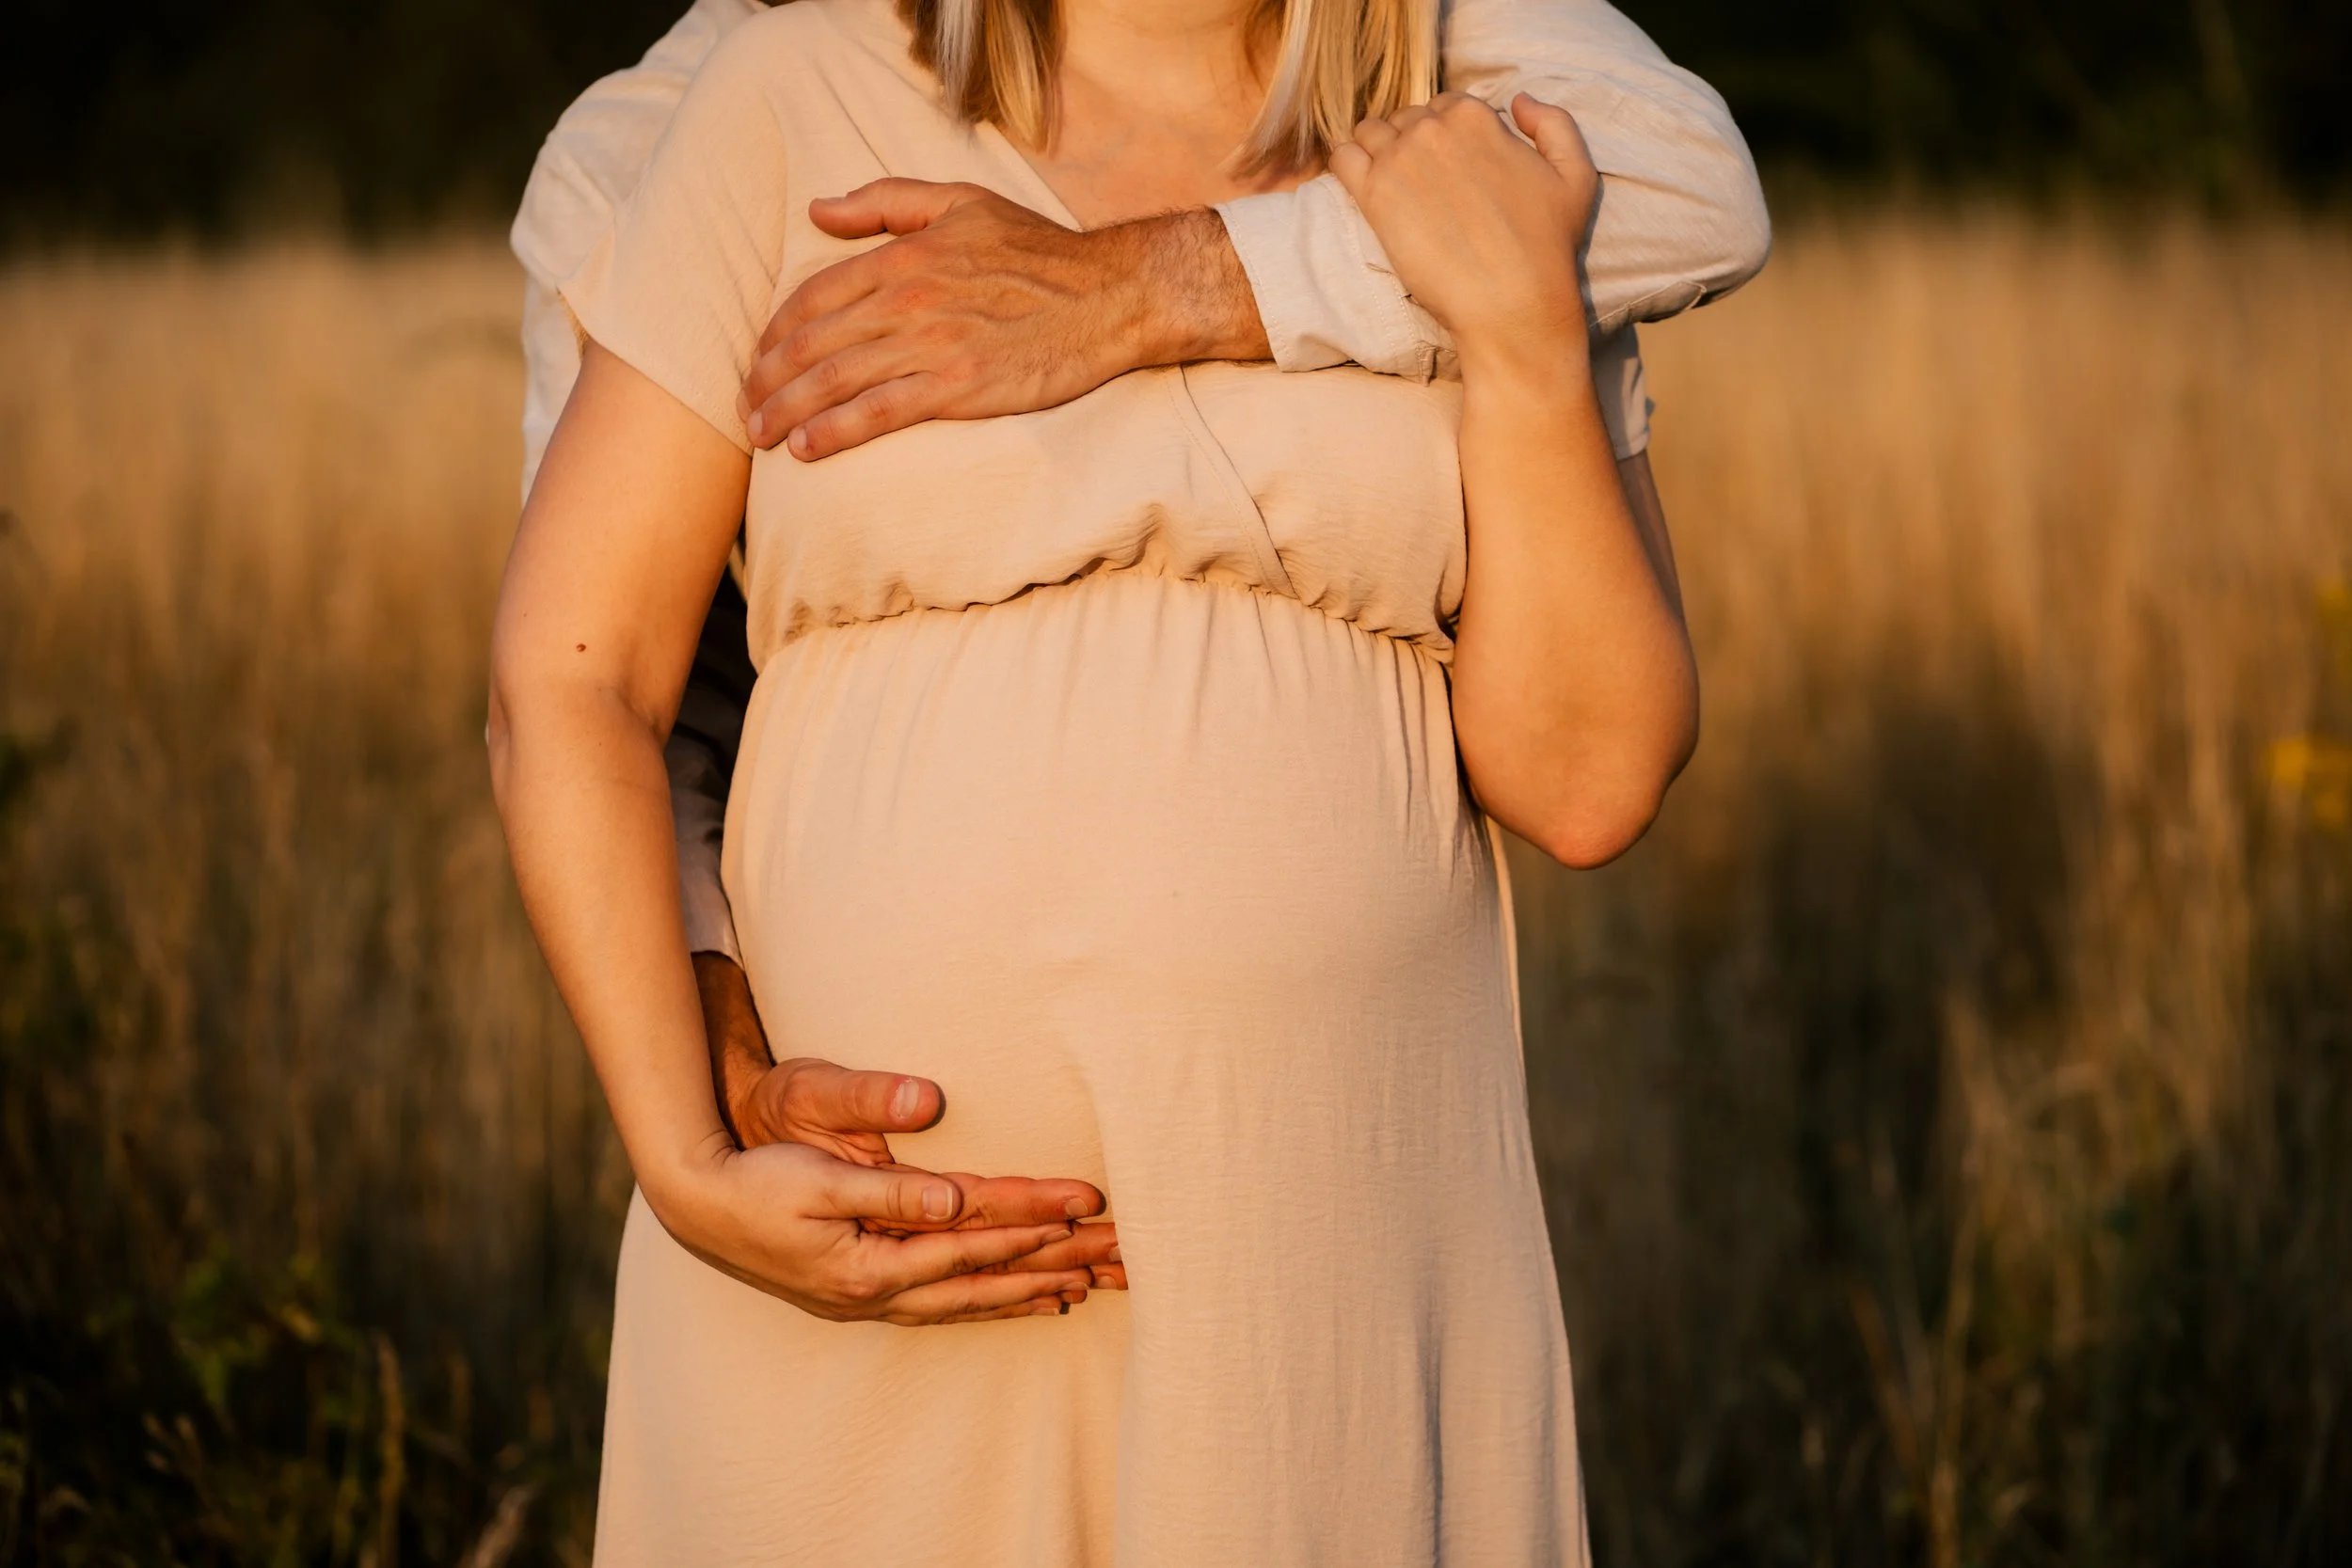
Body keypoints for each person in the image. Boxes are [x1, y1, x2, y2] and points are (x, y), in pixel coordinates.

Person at [492, 0, 1762, 1559]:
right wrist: (683, 1156)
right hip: (873, 1281)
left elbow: (1588, 778)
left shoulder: (1462, 155)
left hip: (1327, 1272)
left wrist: (1518, 332)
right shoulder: (775, 98)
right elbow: (580, 678)